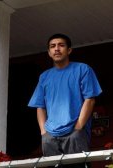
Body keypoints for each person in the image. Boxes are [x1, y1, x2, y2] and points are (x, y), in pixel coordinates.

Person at [28, 33, 102, 167]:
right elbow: (40, 106)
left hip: (75, 132)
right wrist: (44, 132)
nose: (56, 49)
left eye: (61, 45)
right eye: (52, 46)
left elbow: (90, 100)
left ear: (69, 50)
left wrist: (79, 126)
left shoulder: (82, 69)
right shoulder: (44, 77)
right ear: (49, 52)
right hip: (50, 135)